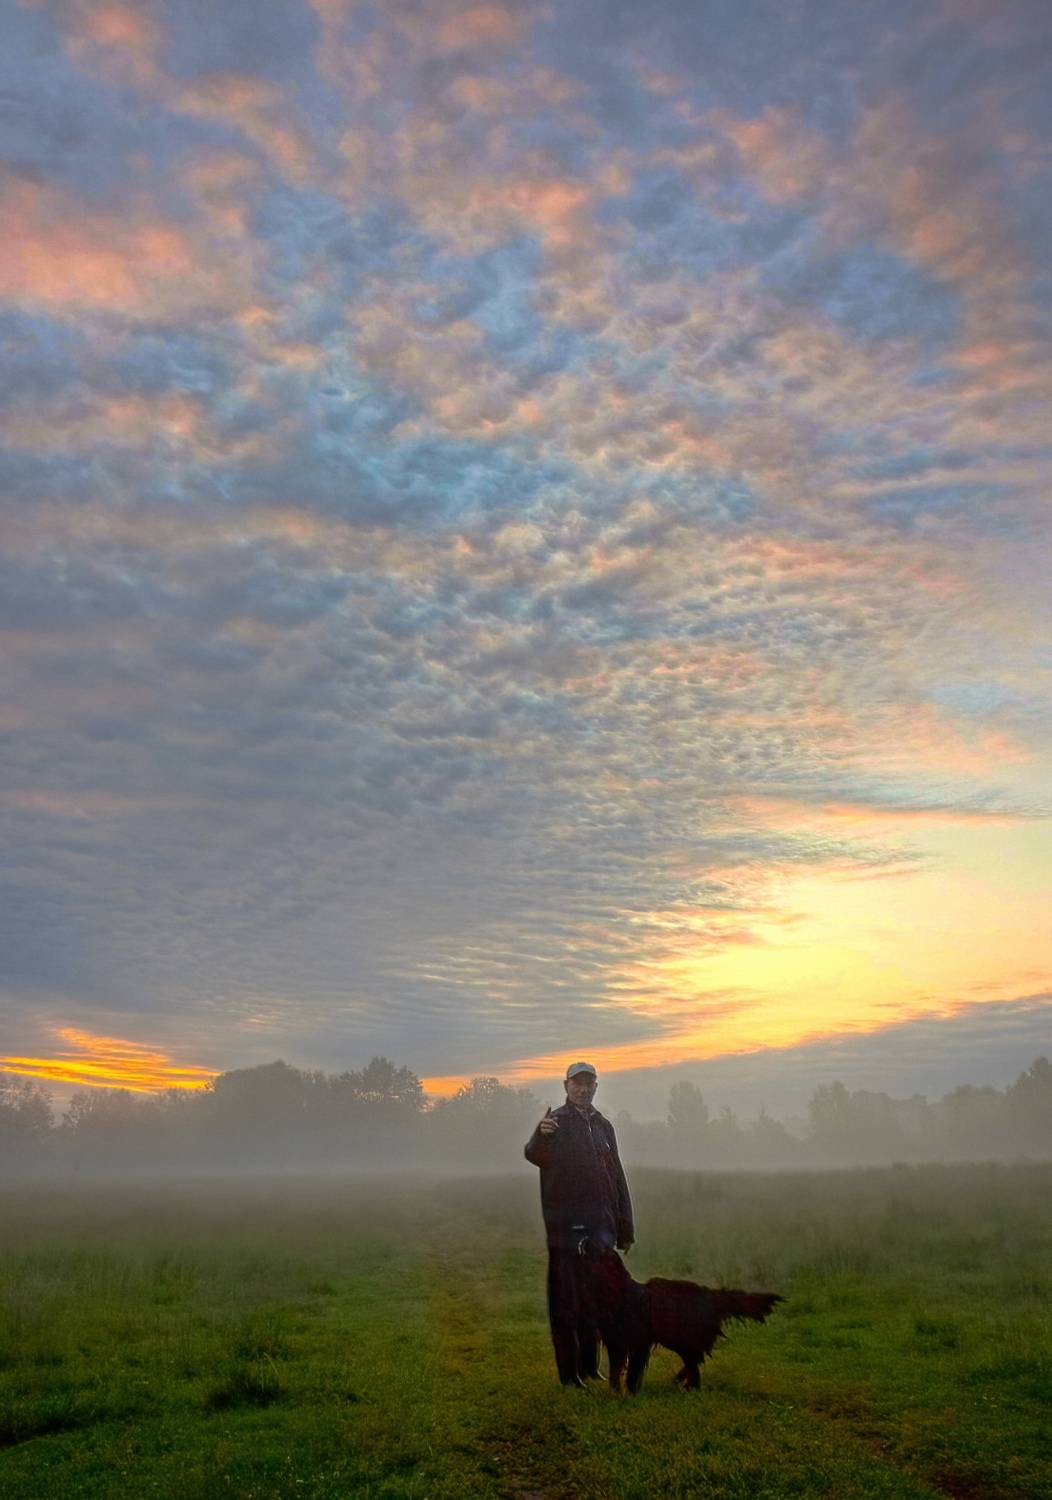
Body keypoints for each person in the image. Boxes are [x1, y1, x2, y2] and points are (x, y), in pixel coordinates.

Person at [524, 1061, 634, 1387]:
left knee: (595, 1302)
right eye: (577, 1083)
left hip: (601, 1229)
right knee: (565, 1305)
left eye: (589, 1083)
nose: (583, 1088)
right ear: (566, 1086)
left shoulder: (604, 1127)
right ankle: (569, 1374)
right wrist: (539, 1136)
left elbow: (617, 1177)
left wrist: (625, 1227)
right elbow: (534, 1155)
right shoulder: (555, 1122)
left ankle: (590, 1367)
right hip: (565, 1232)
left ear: (596, 1087)